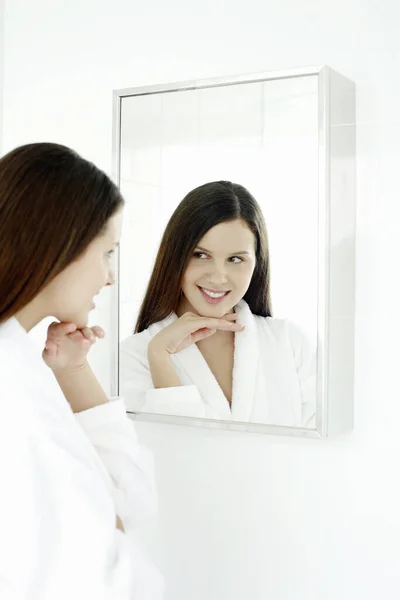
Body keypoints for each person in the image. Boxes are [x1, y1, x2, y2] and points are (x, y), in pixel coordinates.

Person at [0, 143, 163, 599]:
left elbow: (126, 501)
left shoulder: (20, 363)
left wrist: (73, 371)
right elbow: (93, 576)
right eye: (107, 252)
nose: (110, 277)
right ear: (59, 246)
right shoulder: (12, 388)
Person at [120, 181, 316, 428]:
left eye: (235, 259)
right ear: (176, 256)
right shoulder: (135, 355)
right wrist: (160, 358)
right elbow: (164, 457)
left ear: (257, 264)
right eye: (200, 255)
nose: (218, 276)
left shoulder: (290, 343)